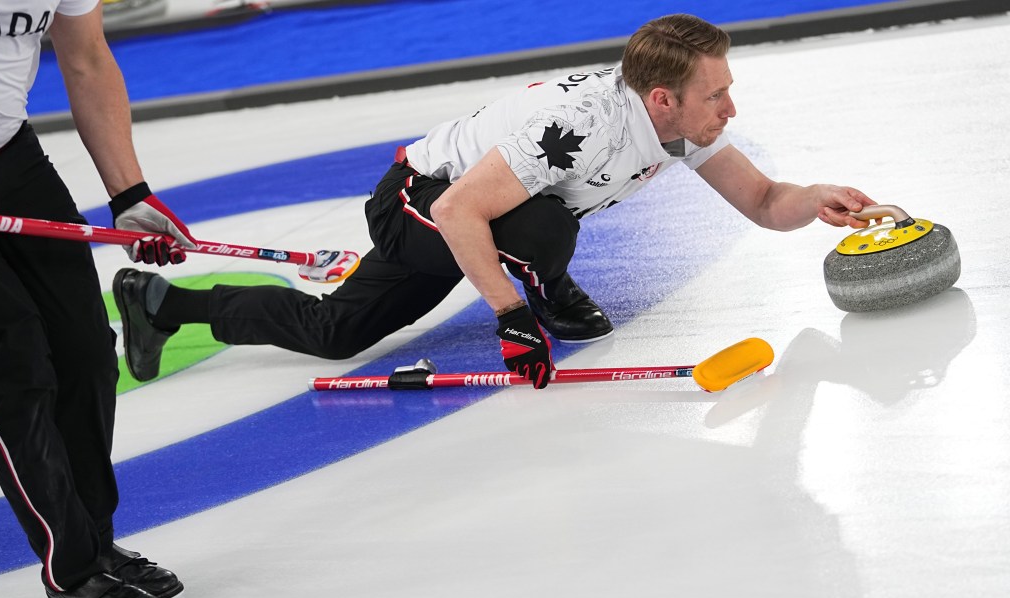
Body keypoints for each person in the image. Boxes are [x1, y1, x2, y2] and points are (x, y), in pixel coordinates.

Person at [113, 13, 875, 392]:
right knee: (542, 226)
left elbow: (762, 199)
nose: (730, 110)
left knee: (336, 332)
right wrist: (511, 318)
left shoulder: (679, 125)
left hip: (471, 212)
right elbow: (455, 212)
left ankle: (160, 303)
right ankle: (544, 286)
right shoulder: (582, 128)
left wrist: (817, 198)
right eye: (717, 95)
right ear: (663, 98)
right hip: (418, 201)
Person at [0, 0, 196, 598]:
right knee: (11, 363)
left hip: (9, 156)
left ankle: (95, 542)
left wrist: (129, 194)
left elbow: (86, 58)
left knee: (83, 346)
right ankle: (73, 574)